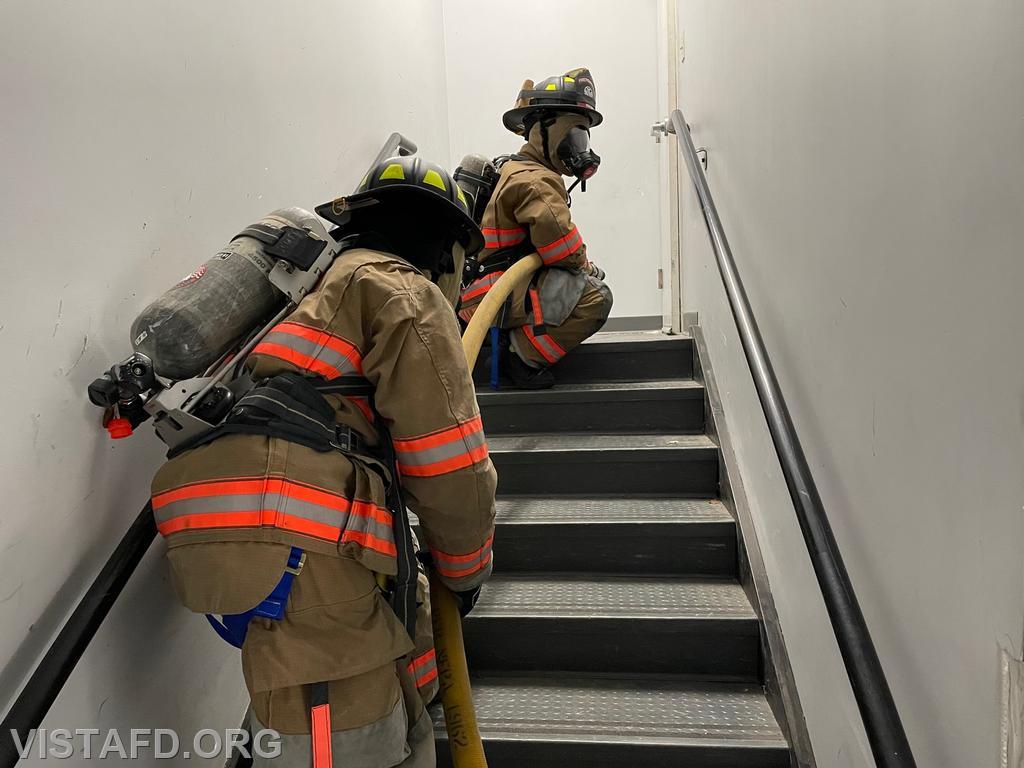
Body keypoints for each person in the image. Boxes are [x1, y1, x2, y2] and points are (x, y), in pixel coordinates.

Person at [150, 156, 497, 767]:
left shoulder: (314, 288)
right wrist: (464, 574)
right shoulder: (401, 289)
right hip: (295, 518)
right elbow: (451, 465)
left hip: (248, 506)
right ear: (445, 249)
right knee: (334, 715)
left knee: (347, 668)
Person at [459, 67, 613, 389]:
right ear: (542, 132)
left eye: (583, 136)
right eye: (573, 135)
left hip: (485, 293)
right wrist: (589, 268)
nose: (578, 146)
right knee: (596, 297)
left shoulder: (515, 169)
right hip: (496, 298)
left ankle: (517, 347)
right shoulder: (536, 181)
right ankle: (522, 357)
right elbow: (564, 250)